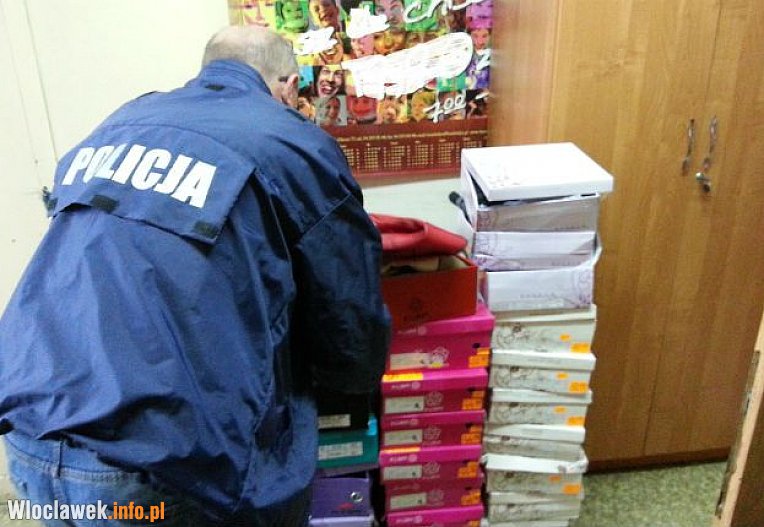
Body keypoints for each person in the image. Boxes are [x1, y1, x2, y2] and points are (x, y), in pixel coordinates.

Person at [0, 25, 389, 527]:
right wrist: (350, 389)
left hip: (30, 431)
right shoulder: (290, 140)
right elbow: (348, 315)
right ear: (290, 85)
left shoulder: (125, 120)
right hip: (151, 466)